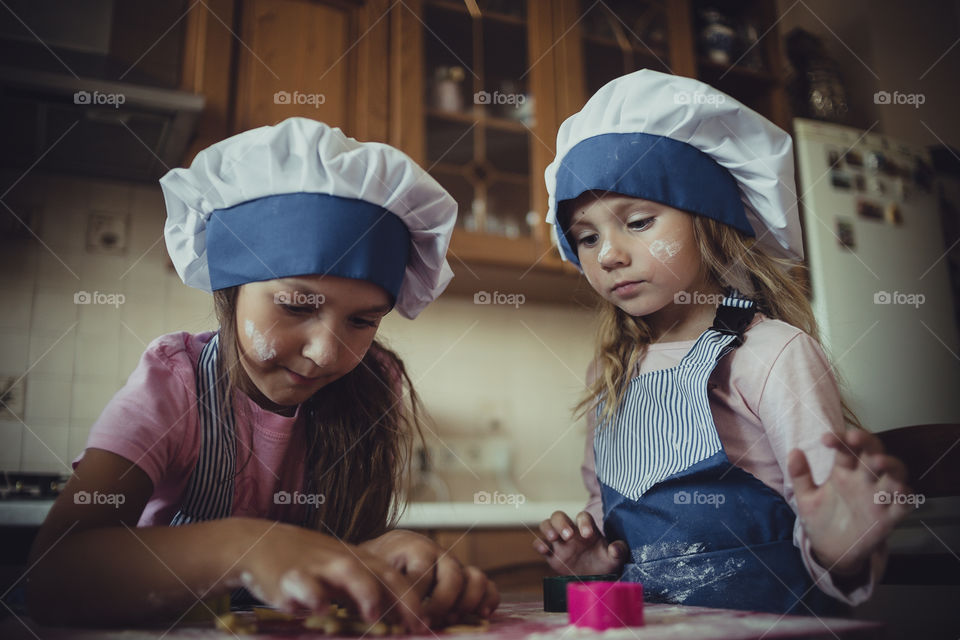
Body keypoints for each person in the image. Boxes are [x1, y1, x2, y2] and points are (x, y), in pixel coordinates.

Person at [26, 118, 498, 629]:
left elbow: (331, 565)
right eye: (297, 305)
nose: (325, 353)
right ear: (229, 289)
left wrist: (379, 552)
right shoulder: (177, 383)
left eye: (363, 321)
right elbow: (53, 576)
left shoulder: (370, 387)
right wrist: (246, 546)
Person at [532, 70, 913, 615]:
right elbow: (606, 511)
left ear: (711, 221)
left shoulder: (771, 353)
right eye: (586, 237)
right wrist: (593, 561)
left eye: (638, 222)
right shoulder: (610, 372)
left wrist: (839, 544)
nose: (608, 254)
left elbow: (831, 522)